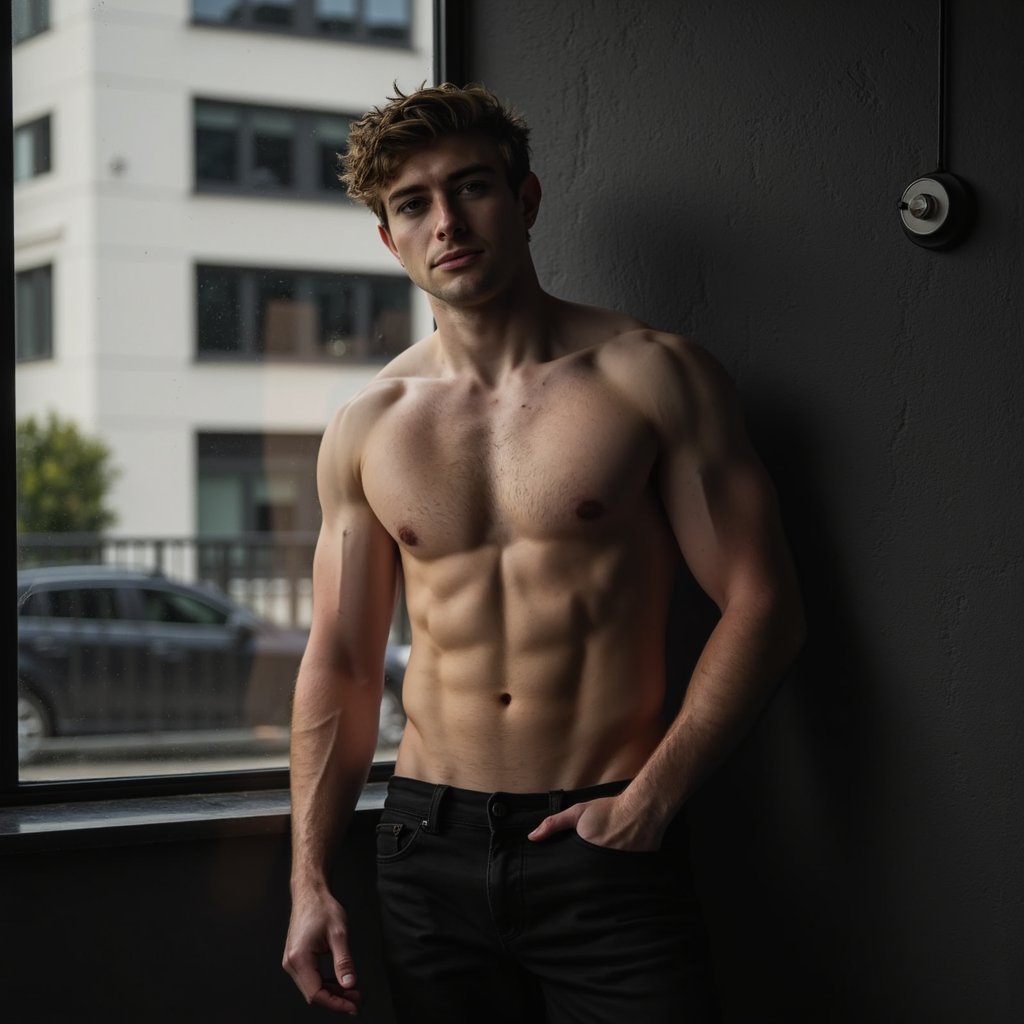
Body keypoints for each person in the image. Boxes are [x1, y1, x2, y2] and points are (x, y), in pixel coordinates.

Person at [282, 83, 805, 1022]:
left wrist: (651, 801)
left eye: (471, 187)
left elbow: (764, 605)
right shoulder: (368, 426)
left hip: (602, 835)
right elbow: (344, 661)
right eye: (413, 205)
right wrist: (309, 880)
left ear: (523, 201)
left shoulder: (651, 375)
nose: (447, 221)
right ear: (389, 239)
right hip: (423, 845)